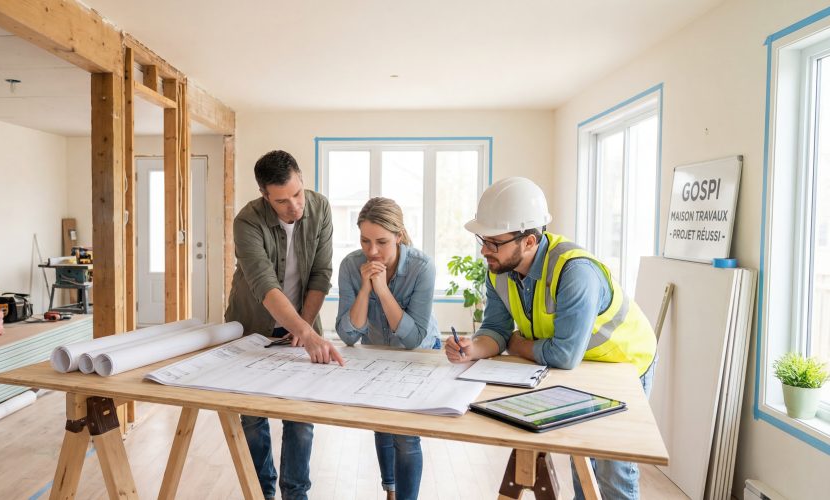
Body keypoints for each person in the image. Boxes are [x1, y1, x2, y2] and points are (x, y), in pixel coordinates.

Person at [444, 177, 657, 500]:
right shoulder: (498, 270)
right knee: (580, 450)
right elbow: (496, 331)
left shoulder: (576, 272)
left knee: (613, 469)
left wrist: (516, 344)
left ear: (528, 241)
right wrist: (473, 348)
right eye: (482, 239)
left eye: (494, 242)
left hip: (624, 363)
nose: (485, 250)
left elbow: (564, 354)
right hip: (582, 367)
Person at [225, 149, 343, 500]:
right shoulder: (246, 221)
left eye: (297, 193)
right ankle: (261, 492)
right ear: (265, 195)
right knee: (252, 418)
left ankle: (296, 493)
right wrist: (306, 333)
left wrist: (303, 327)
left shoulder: (319, 207)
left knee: (300, 417)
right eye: (282, 201)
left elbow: (322, 274)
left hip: (303, 322)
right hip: (252, 325)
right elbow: (264, 284)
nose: (294, 206)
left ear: (302, 179)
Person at [335, 197, 440, 500]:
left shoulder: (422, 267)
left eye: (381, 241)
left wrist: (381, 290)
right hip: (379, 353)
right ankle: (390, 492)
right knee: (381, 426)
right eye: (365, 241)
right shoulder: (351, 266)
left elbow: (412, 338)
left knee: (405, 436)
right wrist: (366, 287)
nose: (372, 251)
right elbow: (348, 334)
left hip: (420, 353)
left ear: (399, 235)